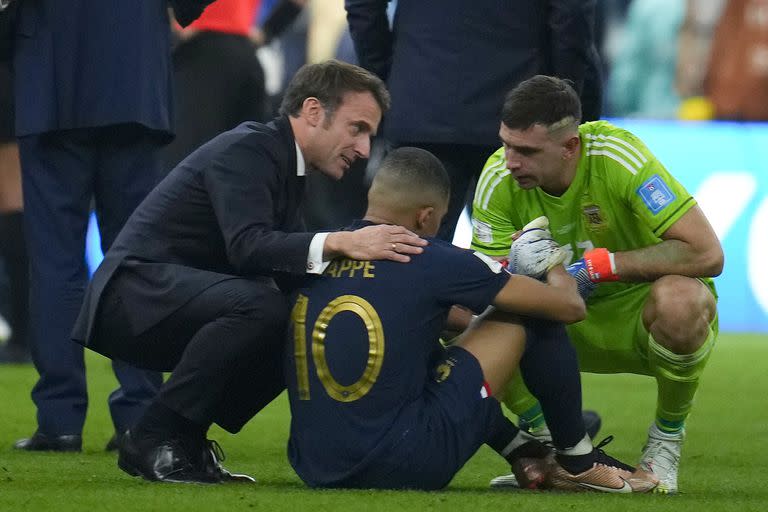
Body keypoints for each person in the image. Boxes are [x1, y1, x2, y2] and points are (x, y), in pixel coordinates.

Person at [71, 60, 428, 484]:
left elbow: (287, 267)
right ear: (313, 111)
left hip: (167, 294)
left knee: (303, 310)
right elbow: (249, 247)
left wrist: (395, 298)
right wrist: (340, 241)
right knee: (261, 305)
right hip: (131, 296)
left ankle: (185, 439)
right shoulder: (248, 150)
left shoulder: (282, 160)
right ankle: (153, 434)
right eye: (358, 128)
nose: (366, 149)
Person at [285, 146, 658, 492]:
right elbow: (568, 307)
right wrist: (550, 261)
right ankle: (578, 461)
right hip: (404, 463)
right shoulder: (428, 255)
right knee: (531, 310)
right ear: (426, 216)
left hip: (317, 467)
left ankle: (522, 450)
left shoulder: (322, 251)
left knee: (426, 349)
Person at [470, 75, 723, 494]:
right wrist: (522, 273)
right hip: (555, 321)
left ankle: (666, 440)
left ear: (571, 147)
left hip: (634, 313)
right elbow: (483, 287)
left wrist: (600, 268)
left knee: (682, 300)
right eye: (506, 144)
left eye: (526, 151)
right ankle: (546, 442)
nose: (510, 161)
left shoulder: (616, 156)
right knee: (455, 312)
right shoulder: (498, 175)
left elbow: (707, 253)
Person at [9, 0, 217, 453]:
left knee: (55, 263)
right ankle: (139, 413)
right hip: (133, 82)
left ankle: (59, 421)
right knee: (137, 262)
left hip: (52, 83)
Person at [345, 0, 603, 242]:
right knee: (528, 262)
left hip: (424, 103)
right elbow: (572, 16)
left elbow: (363, 6)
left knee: (405, 262)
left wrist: (388, 76)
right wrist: (559, 101)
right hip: (522, 120)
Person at [163, 0, 269, 170]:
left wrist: (174, 25)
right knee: (244, 166)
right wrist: (268, 32)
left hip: (201, 55)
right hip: (246, 55)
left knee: (183, 166)